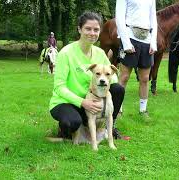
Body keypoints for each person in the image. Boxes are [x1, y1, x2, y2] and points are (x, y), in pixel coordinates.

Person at [49, 11, 128, 140]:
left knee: (118, 89)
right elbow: (59, 87)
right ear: (79, 29)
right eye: (88, 29)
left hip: (91, 100)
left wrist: (105, 83)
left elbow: (112, 76)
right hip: (66, 102)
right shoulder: (66, 53)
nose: (92, 33)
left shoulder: (100, 53)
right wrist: (83, 102)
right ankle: (65, 130)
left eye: (96, 30)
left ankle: (110, 127)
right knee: (71, 122)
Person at [115, 0, 158, 116]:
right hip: (129, 37)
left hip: (147, 40)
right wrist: (126, 42)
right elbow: (119, 18)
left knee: (144, 78)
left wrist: (153, 42)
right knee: (124, 77)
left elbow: (153, 20)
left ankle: (143, 110)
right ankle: (118, 109)